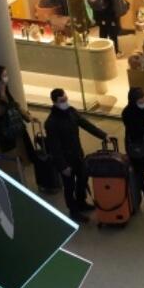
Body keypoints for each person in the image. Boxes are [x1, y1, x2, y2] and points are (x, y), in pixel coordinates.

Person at [44, 87, 109, 222]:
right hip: (65, 160)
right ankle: (73, 211)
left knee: (82, 178)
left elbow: (86, 124)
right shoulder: (51, 123)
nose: (65, 102)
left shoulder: (71, 112)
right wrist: (63, 166)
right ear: (55, 102)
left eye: (66, 98)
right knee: (69, 186)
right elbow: (54, 147)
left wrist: (102, 135)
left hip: (77, 154)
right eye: (62, 100)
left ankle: (81, 202)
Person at [0, 64, 33, 177]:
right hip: (1, 133)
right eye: (4, 75)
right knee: (8, 162)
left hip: (14, 129)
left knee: (19, 156)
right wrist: (2, 95)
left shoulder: (3, 89)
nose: (6, 78)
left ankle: (19, 174)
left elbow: (14, 105)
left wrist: (27, 116)